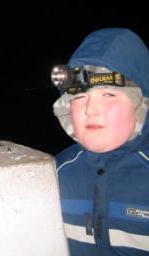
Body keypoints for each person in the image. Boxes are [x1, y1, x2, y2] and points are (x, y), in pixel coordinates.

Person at [51, 27, 149, 255]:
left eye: (109, 95)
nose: (90, 110)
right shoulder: (54, 174)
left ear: (141, 105)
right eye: (79, 96)